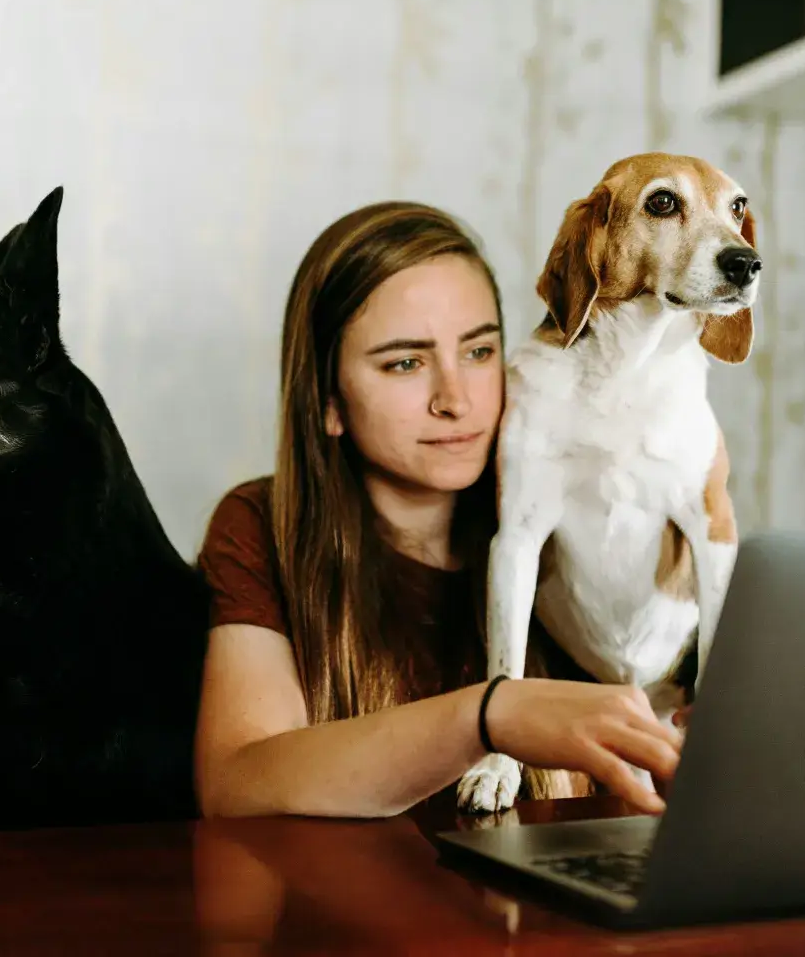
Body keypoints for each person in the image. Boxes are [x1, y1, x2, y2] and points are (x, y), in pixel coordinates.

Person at [193, 201, 682, 820]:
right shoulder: (263, 525)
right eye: (405, 362)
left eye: (479, 353)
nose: (455, 400)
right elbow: (236, 784)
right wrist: (489, 715)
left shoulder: (573, 515)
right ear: (327, 400)